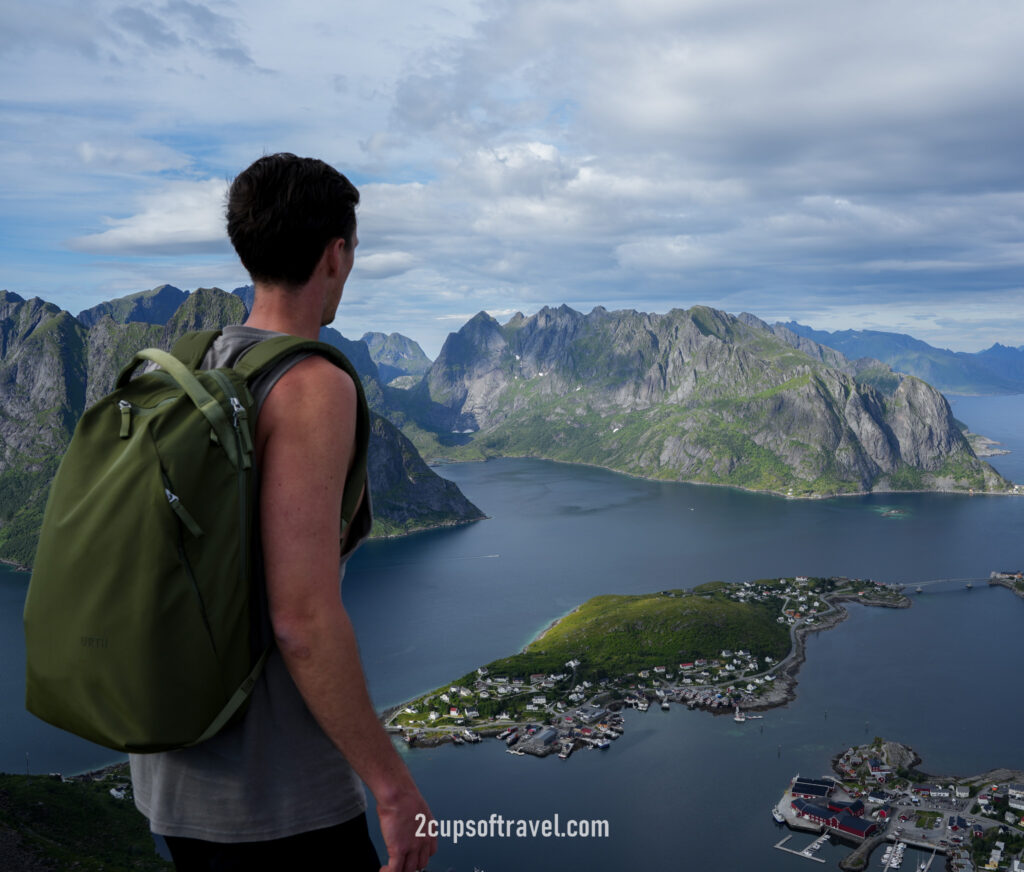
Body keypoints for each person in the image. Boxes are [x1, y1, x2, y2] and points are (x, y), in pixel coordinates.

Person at [130, 153, 436, 872]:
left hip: (172, 771)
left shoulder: (190, 362)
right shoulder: (310, 383)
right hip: (273, 797)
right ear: (336, 254)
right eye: (353, 249)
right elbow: (301, 620)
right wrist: (393, 790)